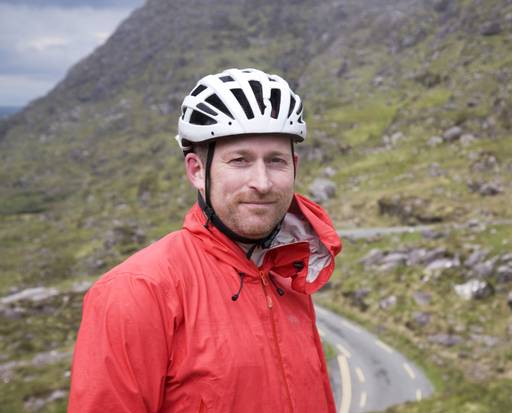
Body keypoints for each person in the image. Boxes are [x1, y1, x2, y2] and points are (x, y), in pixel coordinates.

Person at [68, 68, 342, 413]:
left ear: (295, 166)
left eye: (276, 161)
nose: (262, 182)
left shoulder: (287, 276)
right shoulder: (137, 291)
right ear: (197, 170)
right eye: (240, 160)